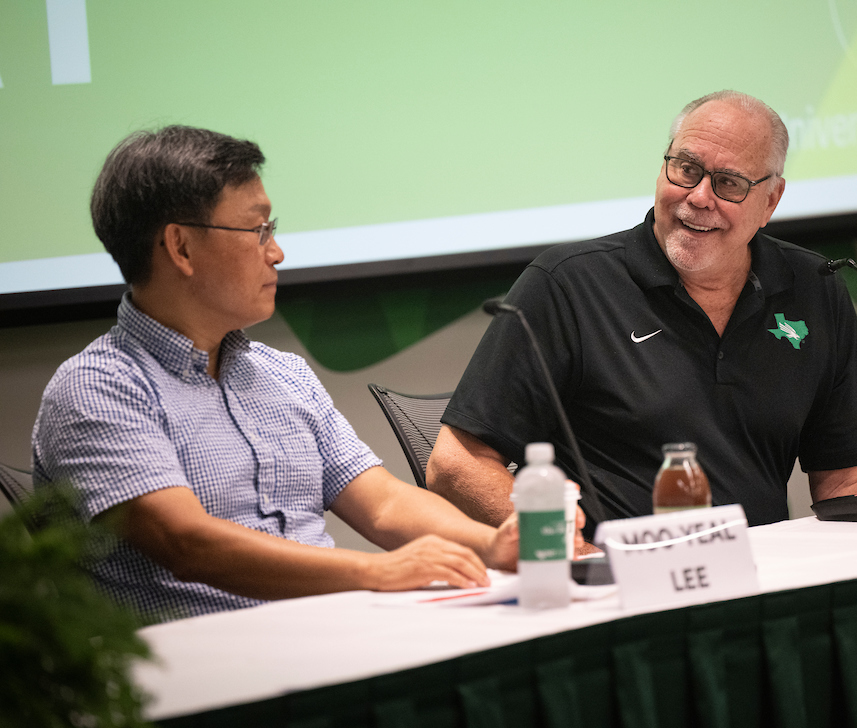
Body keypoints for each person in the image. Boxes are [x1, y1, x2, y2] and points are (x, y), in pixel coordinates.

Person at [32, 126, 530, 621]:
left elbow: (383, 504)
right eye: (258, 230)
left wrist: (494, 545)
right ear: (180, 247)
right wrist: (374, 574)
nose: (276, 252)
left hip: (331, 636)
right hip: (200, 674)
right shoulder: (97, 389)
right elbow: (186, 543)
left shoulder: (281, 374)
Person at [427, 91, 857, 530]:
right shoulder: (567, 284)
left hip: (760, 580)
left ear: (770, 201)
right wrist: (571, 550)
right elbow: (457, 464)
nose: (697, 197)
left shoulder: (815, 289)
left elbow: (849, 476)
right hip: (615, 581)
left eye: (728, 183)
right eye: (686, 169)